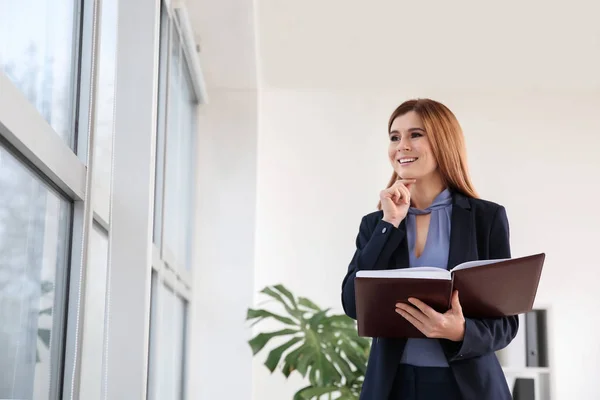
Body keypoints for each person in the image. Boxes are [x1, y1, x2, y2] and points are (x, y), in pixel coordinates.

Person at [341, 98, 518, 400]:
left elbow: (505, 325)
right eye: (395, 137)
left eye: (415, 135)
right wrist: (390, 224)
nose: (401, 146)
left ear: (443, 142)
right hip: (393, 386)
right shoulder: (376, 224)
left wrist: (460, 332)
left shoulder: (485, 219)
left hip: (466, 387)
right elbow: (353, 305)